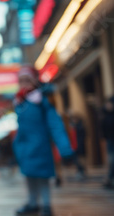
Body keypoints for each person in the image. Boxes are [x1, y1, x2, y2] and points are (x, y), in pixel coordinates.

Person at [13, 65, 74, 216]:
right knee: (29, 175)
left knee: (43, 177)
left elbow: (55, 125)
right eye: (21, 80)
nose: (24, 83)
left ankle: (46, 205)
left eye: (27, 80)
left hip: (41, 146)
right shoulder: (20, 101)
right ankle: (32, 203)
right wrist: (17, 146)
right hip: (25, 148)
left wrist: (65, 148)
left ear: (35, 81)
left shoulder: (42, 101)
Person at [101, 96, 114, 189]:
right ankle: (109, 179)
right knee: (111, 161)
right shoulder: (105, 116)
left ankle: (109, 179)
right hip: (110, 141)